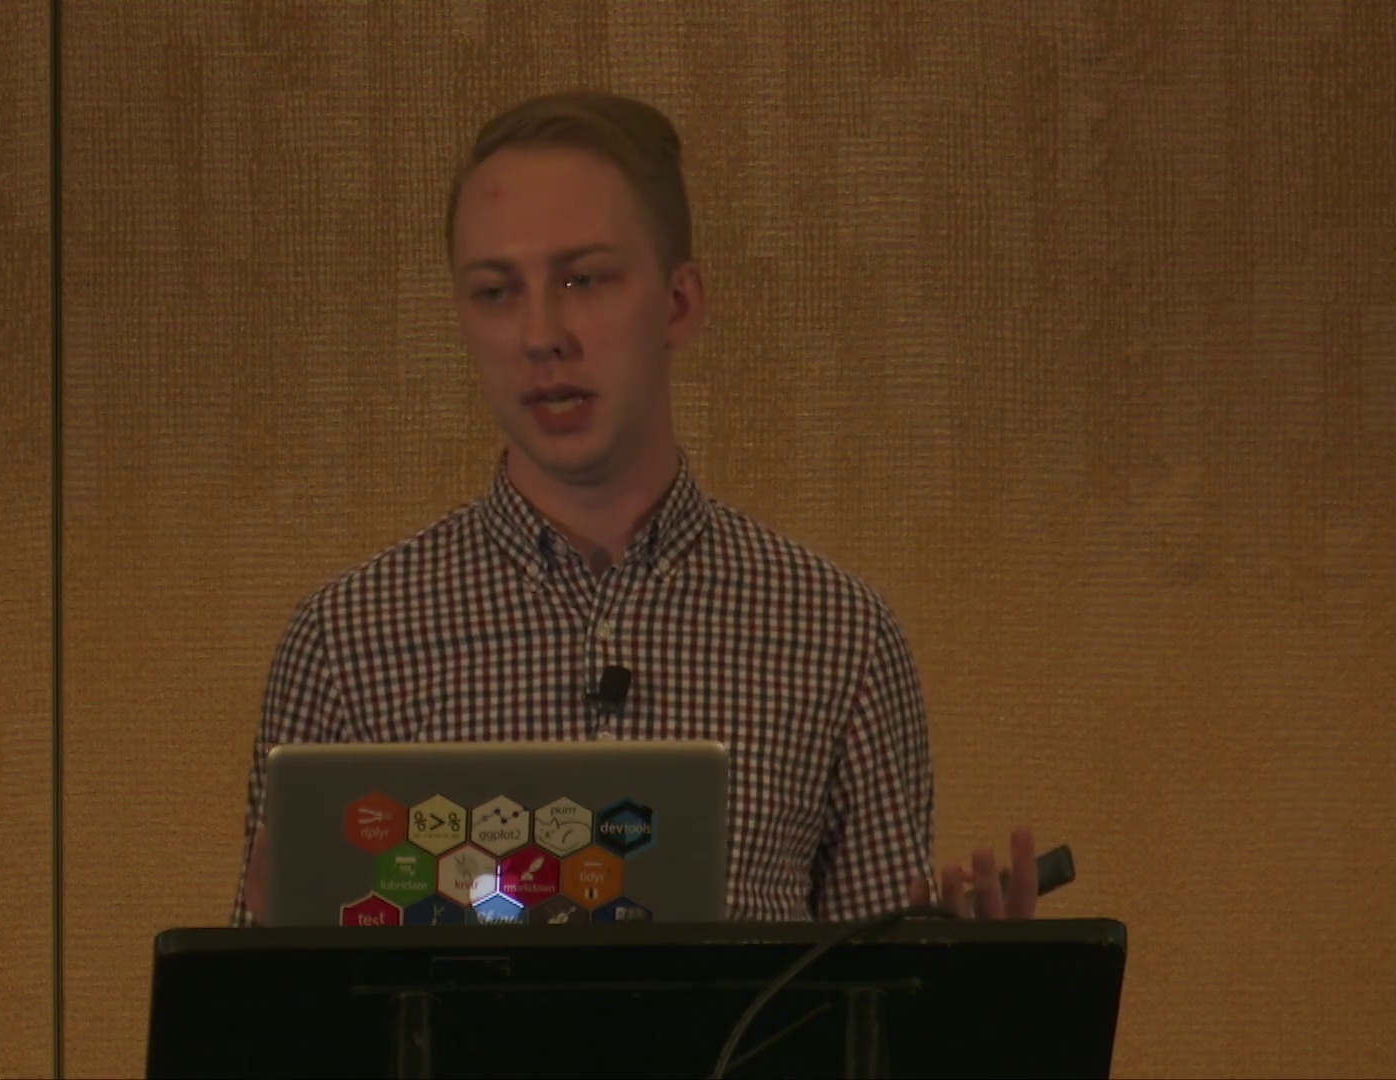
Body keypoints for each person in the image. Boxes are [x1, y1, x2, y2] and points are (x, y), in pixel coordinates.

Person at [229, 90, 1036, 927]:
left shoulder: (841, 636)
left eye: (583, 279)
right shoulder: (346, 642)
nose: (541, 335)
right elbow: (255, 999)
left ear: (678, 304)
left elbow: (879, 995)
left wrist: (979, 989)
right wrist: (272, 971)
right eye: (496, 291)